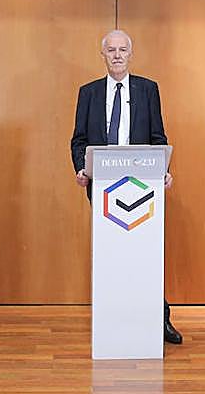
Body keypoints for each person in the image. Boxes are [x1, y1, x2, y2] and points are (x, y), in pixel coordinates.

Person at [71, 29, 181, 344]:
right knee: (112, 254)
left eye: (122, 50)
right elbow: (79, 140)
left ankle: (159, 318)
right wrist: (81, 168)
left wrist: (164, 172)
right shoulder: (89, 93)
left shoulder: (148, 90)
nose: (117, 55)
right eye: (111, 50)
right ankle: (115, 319)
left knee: (145, 254)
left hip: (143, 187)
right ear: (102, 55)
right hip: (103, 187)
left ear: (130, 54)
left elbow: (158, 138)